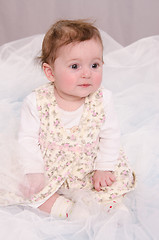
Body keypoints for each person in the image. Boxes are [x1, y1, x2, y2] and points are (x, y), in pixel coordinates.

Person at [17, 19, 135, 219]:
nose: (87, 73)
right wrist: (34, 171)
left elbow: (110, 136)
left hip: (90, 164)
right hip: (52, 166)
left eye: (95, 65)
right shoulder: (37, 101)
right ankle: (66, 210)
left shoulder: (103, 99)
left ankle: (110, 209)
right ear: (50, 72)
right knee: (29, 191)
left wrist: (103, 167)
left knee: (109, 185)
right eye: (75, 66)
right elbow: (27, 139)